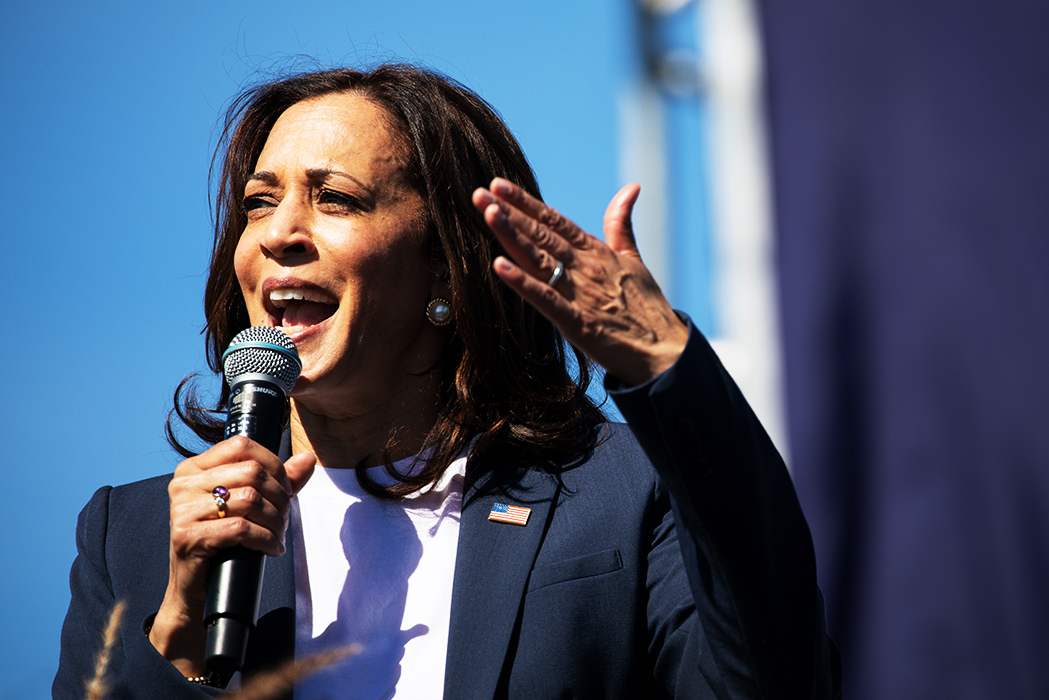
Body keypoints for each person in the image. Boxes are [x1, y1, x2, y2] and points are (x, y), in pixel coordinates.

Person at [54, 63, 839, 699]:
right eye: (259, 203)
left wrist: (672, 369)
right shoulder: (132, 536)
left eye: (336, 199)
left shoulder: (619, 494)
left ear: (445, 267)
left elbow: (770, 682)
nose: (280, 233)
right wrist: (182, 625)